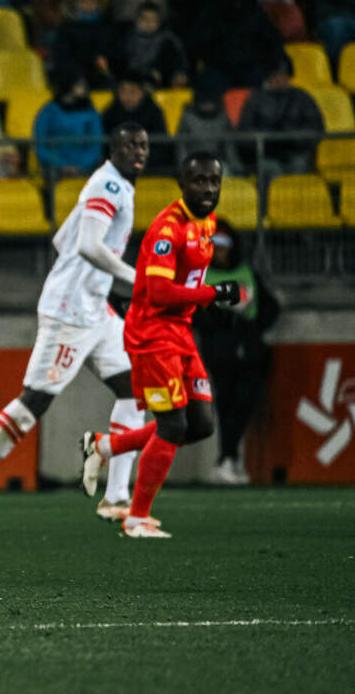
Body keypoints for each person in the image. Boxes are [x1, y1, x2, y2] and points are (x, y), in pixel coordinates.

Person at [0, 124, 151, 532]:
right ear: (113, 148)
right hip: (70, 313)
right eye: (129, 144)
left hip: (96, 309)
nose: (138, 151)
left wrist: (98, 284)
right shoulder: (108, 185)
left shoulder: (115, 186)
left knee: (135, 388)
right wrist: (136, 278)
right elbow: (88, 246)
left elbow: (63, 240)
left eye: (143, 145)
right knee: (33, 403)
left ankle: (116, 496)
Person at [80, 152, 244, 538]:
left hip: (179, 331)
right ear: (182, 184)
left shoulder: (208, 222)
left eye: (214, 181)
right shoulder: (168, 229)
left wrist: (203, 296)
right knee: (172, 424)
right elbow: (158, 291)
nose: (208, 189)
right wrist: (213, 293)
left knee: (201, 424)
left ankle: (105, 447)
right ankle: (136, 518)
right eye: (199, 181)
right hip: (152, 333)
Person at [194, 218, 279, 485]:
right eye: (215, 244)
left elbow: (270, 307)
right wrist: (218, 321)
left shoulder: (246, 272)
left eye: (224, 244)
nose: (220, 250)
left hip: (249, 349)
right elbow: (193, 312)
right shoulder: (202, 276)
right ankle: (228, 459)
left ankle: (228, 458)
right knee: (226, 402)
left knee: (245, 401)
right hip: (220, 349)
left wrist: (253, 325)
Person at [236, 55, 324, 178]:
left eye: (283, 75)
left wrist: (292, 137)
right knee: (269, 168)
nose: (279, 79)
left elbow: (316, 128)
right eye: (275, 75)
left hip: (297, 153)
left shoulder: (302, 98)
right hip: (266, 155)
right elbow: (244, 132)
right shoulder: (256, 99)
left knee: (299, 165)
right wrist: (268, 138)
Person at [34, 68, 104, 182]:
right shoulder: (48, 111)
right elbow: (40, 145)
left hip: (85, 169)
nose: (84, 88)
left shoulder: (91, 112)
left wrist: (80, 166)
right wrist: (61, 165)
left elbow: (96, 145)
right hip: (54, 168)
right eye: (79, 84)